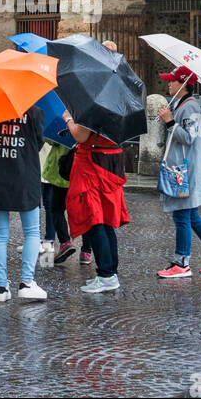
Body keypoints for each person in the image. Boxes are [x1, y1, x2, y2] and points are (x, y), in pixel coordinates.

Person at [155, 66, 201, 278]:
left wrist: (169, 121)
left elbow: (189, 137)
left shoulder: (191, 107)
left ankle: (182, 262)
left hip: (185, 171)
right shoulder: (182, 104)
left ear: (183, 84)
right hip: (183, 168)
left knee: (181, 215)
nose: (168, 84)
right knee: (192, 215)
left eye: (172, 81)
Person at [0, 107, 48, 301]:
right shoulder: (35, 112)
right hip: (24, 175)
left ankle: (1, 288)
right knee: (32, 231)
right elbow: (38, 142)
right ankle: (26, 282)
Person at [62, 111, 128, 293]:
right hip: (110, 163)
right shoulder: (118, 108)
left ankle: (106, 275)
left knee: (95, 220)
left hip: (92, 168)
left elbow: (80, 135)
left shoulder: (94, 106)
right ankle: (109, 272)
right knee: (106, 222)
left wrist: (68, 119)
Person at [41, 141, 75, 262]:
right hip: (80, 174)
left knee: (55, 209)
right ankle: (86, 251)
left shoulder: (64, 124)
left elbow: (52, 140)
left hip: (62, 173)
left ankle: (65, 242)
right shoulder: (86, 125)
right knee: (84, 213)